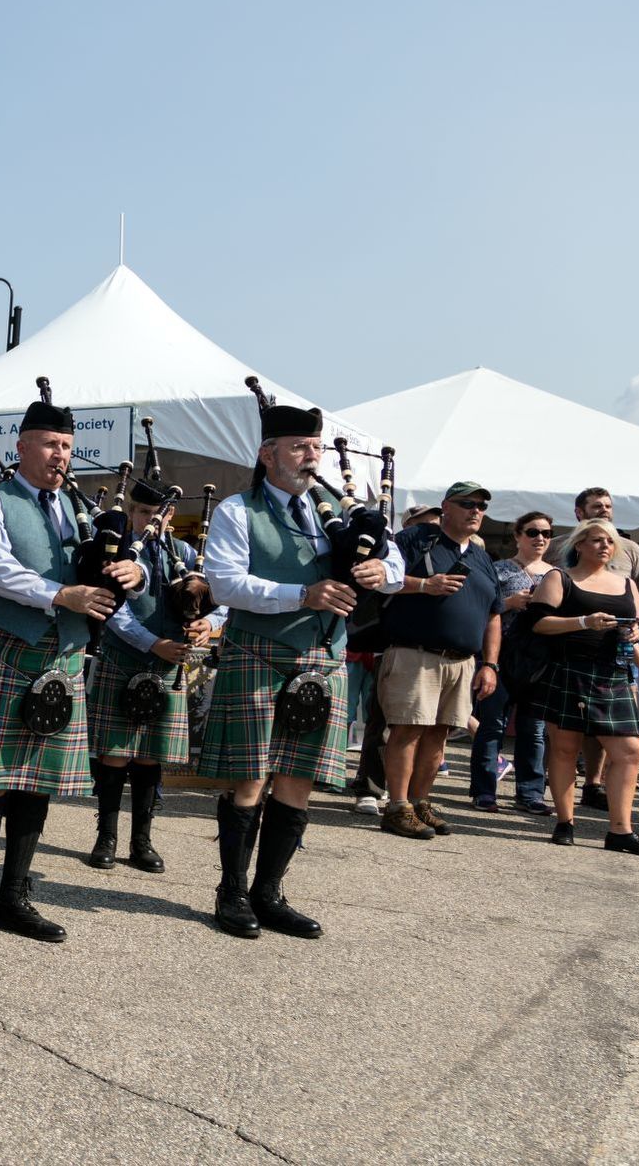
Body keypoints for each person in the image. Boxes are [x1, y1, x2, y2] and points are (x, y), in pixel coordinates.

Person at [0, 398, 144, 945]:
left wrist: (135, 572)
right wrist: (62, 594)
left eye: (68, 449)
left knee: (37, 784)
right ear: (23, 447)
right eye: (52, 445)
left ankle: (15, 896)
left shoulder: (80, 510)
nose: (61, 456)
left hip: (63, 658)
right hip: (7, 653)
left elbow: (121, 564)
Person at [198, 400, 401, 940]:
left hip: (322, 660)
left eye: (315, 447)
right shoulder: (238, 511)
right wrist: (301, 594)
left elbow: (396, 564)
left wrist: (383, 569)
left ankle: (270, 893)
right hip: (258, 656)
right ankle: (232, 892)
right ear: (268, 454)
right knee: (250, 780)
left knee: (298, 782)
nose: (312, 457)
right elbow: (224, 582)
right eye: (299, 447)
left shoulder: (338, 508)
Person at [84, 479, 226, 873]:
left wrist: (208, 626)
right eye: (144, 512)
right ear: (132, 513)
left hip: (168, 668)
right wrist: (152, 643)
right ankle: (106, 837)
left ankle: (141, 841)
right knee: (114, 754)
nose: (153, 519)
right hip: (124, 660)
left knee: (150, 758)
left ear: (171, 515)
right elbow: (114, 610)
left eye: (160, 513)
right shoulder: (117, 549)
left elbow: (221, 601)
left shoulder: (185, 553)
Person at [374, 482, 503, 839]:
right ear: (446, 506)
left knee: (439, 734)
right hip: (416, 654)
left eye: (481, 505)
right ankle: (397, 806)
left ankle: (419, 801)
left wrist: (489, 664)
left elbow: (494, 615)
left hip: (462, 662)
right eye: (468, 503)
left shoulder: (481, 557)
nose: (476, 510)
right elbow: (379, 579)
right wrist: (423, 585)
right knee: (407, 728)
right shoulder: (417, 539)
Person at [528, 520, 639, 855]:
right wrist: (584, 622)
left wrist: (635, 634)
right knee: (564, 749)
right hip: (569, 669)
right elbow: (538, 624)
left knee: (631, 751)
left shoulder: (627, 583)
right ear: (580, 544)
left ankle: (620, 831)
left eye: (610, 542)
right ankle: (564, 822)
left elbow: (638, 626)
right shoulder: (560, 577)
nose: (605, 546)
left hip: (612, 672)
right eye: (597, 540)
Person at [472, 511, 555, 814]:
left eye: (546, 533)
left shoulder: (556, 574)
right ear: (518, 535)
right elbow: (480, 609)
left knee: (534, 730)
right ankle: (484, 790)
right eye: (532, 532)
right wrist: (509, 603)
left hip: (538, 659)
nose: (540, 538)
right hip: (501, 654)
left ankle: (531, 793)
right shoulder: (499, 569)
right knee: (492, 725)